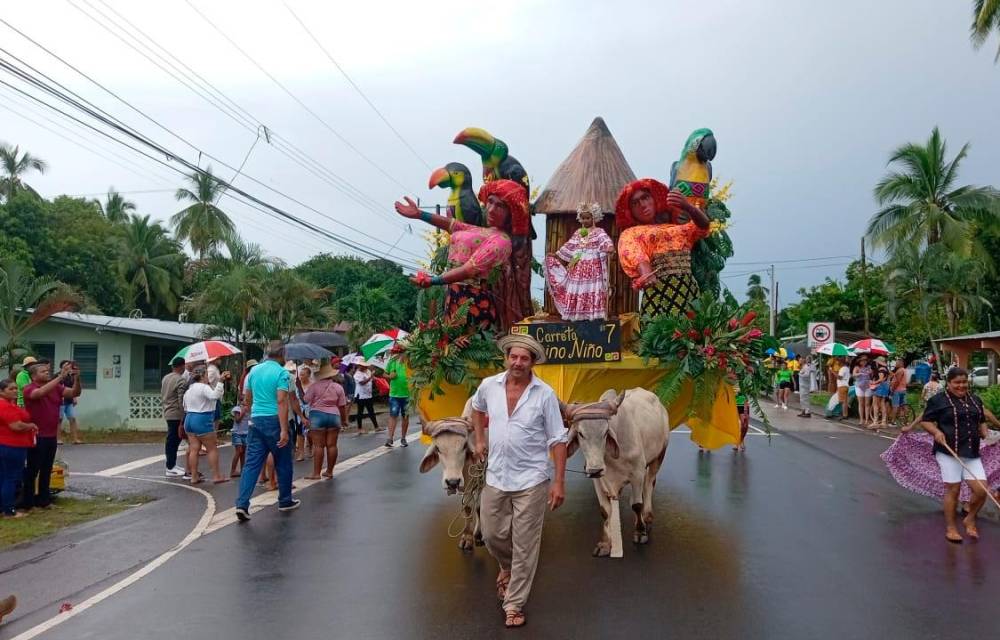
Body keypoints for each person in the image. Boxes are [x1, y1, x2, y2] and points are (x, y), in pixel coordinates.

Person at [471, 334, 567, 629]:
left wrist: (559, 481)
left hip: (532, 479)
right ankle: (507, 567)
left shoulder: (545, 395)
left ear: (532, 363)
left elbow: (558, 438)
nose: (518, 363)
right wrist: (478, 440)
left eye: (524, 358)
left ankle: (513, 604)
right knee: (490, 533)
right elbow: (477, 409)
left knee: (526, 544)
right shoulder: (489, 386)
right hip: (496, 475)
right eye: (514, 357)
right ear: (506, 358)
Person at [395, 179, 531, 331]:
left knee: (464, 345)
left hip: (472, 300)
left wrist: (433, 281)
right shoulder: (482, 232)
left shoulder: (502, 241)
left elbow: (469, 270)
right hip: (454, 296)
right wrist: (419, 214)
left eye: (500, 206)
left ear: (511, 213)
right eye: (490, 202)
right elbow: (452, 224)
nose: (491, 209)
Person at [912, 367, 1000, 543]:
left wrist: (986, 434)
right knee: (954, 489)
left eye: (964, 382)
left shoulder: (975, 400)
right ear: (949, 383)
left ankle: (970, 517)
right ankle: (951, 528)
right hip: (948, 451)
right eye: (957, 382)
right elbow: (926, 421)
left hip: (971, 451)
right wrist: (936, 432)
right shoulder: (938, 400)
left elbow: (981, 419)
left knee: (981, 491)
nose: (961, 386)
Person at [615, 179, 711, 317]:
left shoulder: (679, 229)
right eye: (635, 203)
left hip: (688, 290)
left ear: (655, 199)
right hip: (659, 292)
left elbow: (703, 226)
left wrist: (688, 207)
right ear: (630, 211)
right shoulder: (631, 233)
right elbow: (633, 252)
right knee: (663, 333)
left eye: (645, 198)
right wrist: (646, 271)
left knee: (692, 333)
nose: (642, 205)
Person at [235, 341, 301, 522]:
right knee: (283, 462)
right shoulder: (282, 373)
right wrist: (284, 430)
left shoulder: (253, 371)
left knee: (251, 465)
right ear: (282, 354)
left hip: (256, 420)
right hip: (274, 420)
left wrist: (250, 412)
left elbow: (247, 398)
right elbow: (281, 401)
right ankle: (285, 500)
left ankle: (242, 504)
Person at [544, 202, 615, 321]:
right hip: (578, 265)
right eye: (583, 218)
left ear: (594, 217)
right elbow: (570, 245)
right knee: (579, 288)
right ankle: (578, 313)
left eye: (588, 218)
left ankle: (593, 314)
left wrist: (609, 247)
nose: (585, 220)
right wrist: (557, 254)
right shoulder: (578, 233)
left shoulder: (598, 231)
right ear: (579, 218)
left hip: (593, 265)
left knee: (592, 287)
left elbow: (605, 241)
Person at [182, 366, 229, 484]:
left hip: (189, 418)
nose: (208, 377)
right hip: (202, 418)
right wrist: (221, 382)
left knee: (194, 449)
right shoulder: (203, 387)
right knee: (212, 448)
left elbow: (184, 406)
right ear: (203, 375)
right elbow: (215, 396)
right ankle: (216, 475)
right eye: (207, 374)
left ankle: (193, 476)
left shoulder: (189, 389)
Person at [302, 361, 348, 479]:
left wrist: (299, 386)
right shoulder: (338, 387)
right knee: (332, 445)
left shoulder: (314, 386)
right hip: (334, 416)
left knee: (319, 446)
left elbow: (306, 400)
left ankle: (316, 473)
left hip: (317, 416)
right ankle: (329, 471)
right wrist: (344, 420)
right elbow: (342, 406)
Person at [0, 378, 37, 518]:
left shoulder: (10, 404)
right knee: (11, 477)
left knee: (4, 477)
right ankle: (9, 510)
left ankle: (4, 507)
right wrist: (30, 426)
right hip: (12, 445)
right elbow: (16, 426)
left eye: (16, 388)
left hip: (7, 444)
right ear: (1, 391)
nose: (15, 391)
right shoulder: (5, 406)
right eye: (11, 389)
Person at [160, 357, 188, 478]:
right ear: (182, 366)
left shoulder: (166, 378)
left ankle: (172, 464)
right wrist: (184, 416)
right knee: (173, 440)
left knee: (173, 440)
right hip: (176, 413)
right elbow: (181, 400)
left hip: (167, 411)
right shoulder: (180, 380)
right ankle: (170, 467)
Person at [384, 349, 410, 448]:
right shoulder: (392, 362)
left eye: (402, 352)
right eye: (398, 352)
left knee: (405, 416)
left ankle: (403, 438)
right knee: (393, 415)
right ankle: (390, 438)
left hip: (407, 394)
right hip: (394, 394)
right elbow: (384, 374)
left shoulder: (410, 362)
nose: (400, 354)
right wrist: (390, 376)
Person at [56, 360, 82, 445]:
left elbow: (73, 387)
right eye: (66, 364)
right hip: (60, 401)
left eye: (69, 364)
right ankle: (58, 439)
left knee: (73, 419)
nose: (69, 366)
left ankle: (75, 439)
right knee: (59, 420)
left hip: (69, 401)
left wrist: (74, 397)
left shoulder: (71, 375)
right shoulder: (58, 375)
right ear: (62, 367)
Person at [353, 360, 378, 433]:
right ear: (360, 366)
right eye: (364, 366)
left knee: (371, 411)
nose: (366, 367)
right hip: (360, 395)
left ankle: (376, 427)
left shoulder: (368, 371)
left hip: (368, 394)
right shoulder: (357, 374)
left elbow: (372, 379)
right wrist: (370, 377)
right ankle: (359, 428)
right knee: (360, 411)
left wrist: (375, 379)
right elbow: (362, 383)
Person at [852, 355, 872, 427]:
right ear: (859, 361)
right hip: (859, 386)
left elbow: (872, 374)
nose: (864, 362)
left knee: (867, 404)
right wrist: (859, 373)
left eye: (865, 360)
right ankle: (861, 419)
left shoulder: (869, 367)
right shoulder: (857, 367)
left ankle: (866, 419)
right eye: (862, 360)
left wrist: (870, 372)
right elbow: (853, 374)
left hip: (868, 386)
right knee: (861, 403)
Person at [870, 357, 891, 428]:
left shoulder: (881, 369)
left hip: (879, 388)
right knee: (882, 404)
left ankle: (875, 422)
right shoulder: (886, 369)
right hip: (885, 388)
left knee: (875, 404)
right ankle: (883, 422)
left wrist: (874, 382)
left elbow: (881, 379)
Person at [229, 406, 249, 477]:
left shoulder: (250, 408)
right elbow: (237, 420)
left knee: (243, 452)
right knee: (238, 451)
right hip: (237, 433)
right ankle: (233, 470)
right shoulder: (237, 409)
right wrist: (243, 413)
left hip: (246, 433)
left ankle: (242, 469)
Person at [889, 358, 908, 423]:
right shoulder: (904, 370)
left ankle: (893, 421)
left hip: (897, 390)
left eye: (897, 363)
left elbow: (897, 382)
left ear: (901, 363)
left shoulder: (900, 371)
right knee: (903, 405)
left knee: (895, 406)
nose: (896, 364)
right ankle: (906, 420)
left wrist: (892, 390)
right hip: (903, 389)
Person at [734, 387, 750, 452]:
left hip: (744, 405)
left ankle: (741, 440)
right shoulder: (731, 380)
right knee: (738, 425)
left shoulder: (745, 379)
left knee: (745, 426)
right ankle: (737, 443)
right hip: (735, 405)